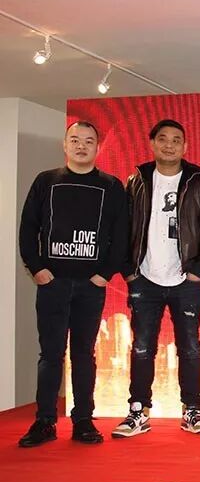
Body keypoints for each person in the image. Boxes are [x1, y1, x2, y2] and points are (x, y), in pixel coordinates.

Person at [18, 121, 128, 447]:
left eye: (89, 141)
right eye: (75, 140)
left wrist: (105, 273)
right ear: (64, 145)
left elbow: (122, 234)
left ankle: (83, 420)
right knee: (50, 355)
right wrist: (37, 268)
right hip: (52, 283)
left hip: (90, 286)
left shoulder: (111, 186)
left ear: (97, 147)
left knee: (84, 354)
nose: (81, 146)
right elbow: (28, 227)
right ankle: (45, 421)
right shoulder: (46, 181)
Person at [113, 119, 200, 438]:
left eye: (176, 140)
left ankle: (192, 409)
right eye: (163, 139)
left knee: (190, 348)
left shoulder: (198, 180)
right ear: (152, 143)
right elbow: (122, 227)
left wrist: (198, 270)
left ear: (185, 146)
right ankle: (138, 411)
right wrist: (129, 270)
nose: (169, 145)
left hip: (185, 280)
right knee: (142, 347)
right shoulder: (137, 179)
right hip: (145, 278)